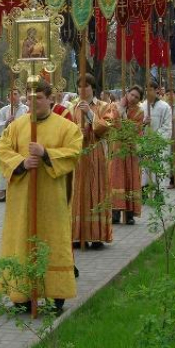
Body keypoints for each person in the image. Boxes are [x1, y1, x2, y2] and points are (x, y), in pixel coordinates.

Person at [0, 79, 82, 316]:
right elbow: (2, 150)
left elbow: (74, 151)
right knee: (21, 239)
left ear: (50, 99)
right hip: (22, 199)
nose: (34, 102)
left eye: (40, 98)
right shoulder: (16, 126)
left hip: (51, 199)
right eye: (30, 98)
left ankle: (56, 295)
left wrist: (46, 154)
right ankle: (21, 294)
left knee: (52, 240)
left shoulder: (65, 127)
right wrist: (21, 163)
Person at [69, 74, 113, 249]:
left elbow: (106, 127)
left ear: (93, 88)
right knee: (77, 191)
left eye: (87, 86)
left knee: (96, 189)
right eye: (80, 86)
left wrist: (89, 113)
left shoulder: (103, 106)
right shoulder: (72, 107)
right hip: (77, 154)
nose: (83, 89)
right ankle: (76, 234)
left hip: (96, 154)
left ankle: (96, 235)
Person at [109, 85, 145, 225]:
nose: (133, 98)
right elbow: (114, 123)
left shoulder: (140, 112)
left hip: (130, 149)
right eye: (132, 95)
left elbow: (135, 129)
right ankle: (115, 213)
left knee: (130, 178)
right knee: (117, 178)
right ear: (127, 93)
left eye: (137, 97)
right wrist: (121, 111)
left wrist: (124, 122)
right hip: (117, 148)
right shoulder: (115, 106)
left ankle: (130, 214)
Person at [0, 89, 28, 202]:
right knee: (6, 164)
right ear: (8, 98)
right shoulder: (4, 110)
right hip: (8, 142)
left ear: (19, 95)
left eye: (15, 94)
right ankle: (3, 191)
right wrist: (7, 122)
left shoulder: (26, 109)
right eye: (10, 95)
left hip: (22, 142)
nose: (13, 97)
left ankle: (21, 189)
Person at [141, 80, 172, 192]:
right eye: (146, 90)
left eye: (150, 90)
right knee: (145, 168)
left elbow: (167, 126)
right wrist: (143, 123)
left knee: (159, 167)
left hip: (159, 142)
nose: (148, 92)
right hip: (145, 141)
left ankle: (159, 192)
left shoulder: (165, 107)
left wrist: (156, 137)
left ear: (157, 90)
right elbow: (136, 124)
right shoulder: (142, 106)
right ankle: (144, 190)